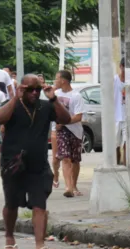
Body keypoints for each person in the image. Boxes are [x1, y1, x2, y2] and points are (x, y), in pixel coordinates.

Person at [0, 74, 70, 249]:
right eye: (30, 89)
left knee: (39, 204)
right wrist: (15, 97)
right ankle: (9, 236)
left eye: (37, 89)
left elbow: (65, 119)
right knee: (12, 204)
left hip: (38, 164)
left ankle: (40, 245)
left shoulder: (45, 106)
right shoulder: (13, 105)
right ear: (22, 88)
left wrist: (53, 98)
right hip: (13, 163)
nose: (34, 93)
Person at [54, 70, 86, 198]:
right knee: (65, 158)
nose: (55, 80)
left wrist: (64, 121)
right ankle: (68, 187)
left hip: (75, 131)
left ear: (63, 80)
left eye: (57, 78)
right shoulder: (55, 95)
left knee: (75, 160)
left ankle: (74, 185)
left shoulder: (76, 96)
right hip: (62, 131)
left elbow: (78, 116)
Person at [114, 58, 126, 165]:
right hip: (116, 117)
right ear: (121, 66)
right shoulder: (114, 80)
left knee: (127, 144)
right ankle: (117, 164)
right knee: (116, 145)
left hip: (128, 118)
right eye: (124, 67)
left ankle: (127, 165)